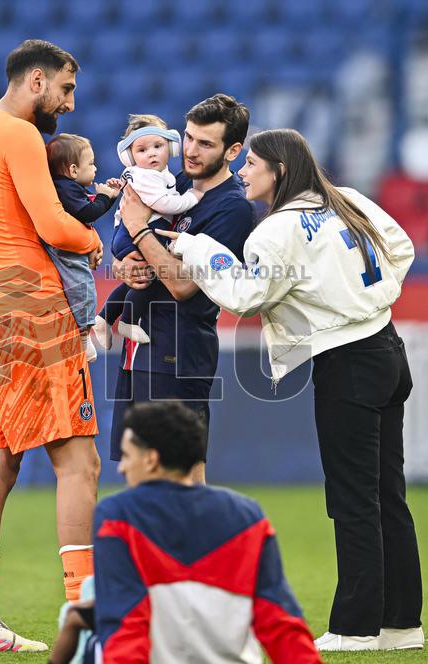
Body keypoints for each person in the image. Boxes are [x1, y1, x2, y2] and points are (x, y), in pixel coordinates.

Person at [143, 129, 420, 651]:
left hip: (345, 360)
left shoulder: (275, 230)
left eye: (252, 163)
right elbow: (401, 248)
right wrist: (369, 298)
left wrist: (196, 246)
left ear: (281, 171)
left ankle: (356, 628)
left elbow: (246, 296)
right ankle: (401, 624)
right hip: (388, 347)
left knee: (352, 498)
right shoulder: (348, 200)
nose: (243, 172)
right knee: (389, 493)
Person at [0, 39, 103, 653]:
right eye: (65, 89)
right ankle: (83, 612)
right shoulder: (19, 135)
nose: (68, 102)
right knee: (78, 462)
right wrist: (94, 243)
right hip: (36, 311)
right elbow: (54, 224)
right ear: (36, 80)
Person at [50, 401, 321, 664]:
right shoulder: (248, 516)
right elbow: (281, 623)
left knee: (79, 612)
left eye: (127, 456)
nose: (121, 467)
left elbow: (126, 624)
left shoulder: (118, 516)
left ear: (151, 460)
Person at [109, 94, 254, 483]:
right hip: (140, 346)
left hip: (180, 350)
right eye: (188, 137)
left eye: (205, 143)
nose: (190, 150)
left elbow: (183, 285)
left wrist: (139, 229)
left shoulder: (232, 208)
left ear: (232, 151)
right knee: (137, 469)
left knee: (181, 473)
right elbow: (127, 238)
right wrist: (124, 266)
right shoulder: (175, 183)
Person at [93, 114, 203, 348]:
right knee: (153, 273)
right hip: (134, 233)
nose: (151, 153)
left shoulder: (158, 175)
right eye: (142, 150)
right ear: (130, 156)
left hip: (129, 233)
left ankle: (104, 318)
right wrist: (191, 198)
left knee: (139, 278)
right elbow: (163, 203)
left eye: (157, 146)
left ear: (171, 147)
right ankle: (128, 321)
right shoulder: (145, 176)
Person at [45, 133, 122, 361]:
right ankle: (83, 337)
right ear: (73, 170)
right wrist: (104, 198)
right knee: (83, 286)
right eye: (91, 163)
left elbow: (88, 206)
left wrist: (109, 196)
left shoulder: (69, 187)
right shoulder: (66, 189)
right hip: (64, 251)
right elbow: (88, 213)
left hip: (68, 247)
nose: (95, 168)